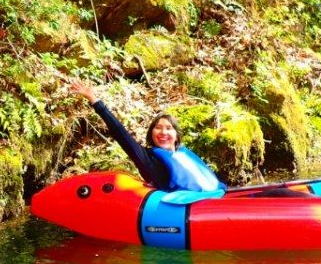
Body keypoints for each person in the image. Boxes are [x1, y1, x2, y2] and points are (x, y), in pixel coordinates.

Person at [69, 80, 225, 192]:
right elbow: (120, 132)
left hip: (212, 198)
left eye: (168, 128)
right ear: (152, 134)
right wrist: (95, 100)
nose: (163, 132)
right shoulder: (146, 158)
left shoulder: (183, 154)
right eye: (158, 128)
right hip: (184, 209)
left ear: (176, 136)